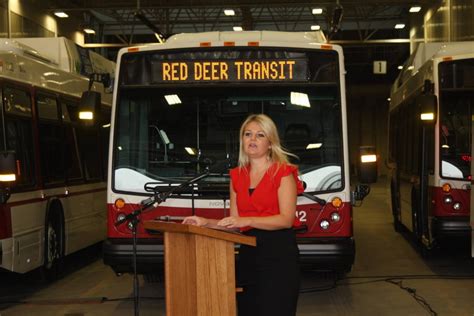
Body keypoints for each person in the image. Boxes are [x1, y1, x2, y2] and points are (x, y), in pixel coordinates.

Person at [183, 113, 304, 316]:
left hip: (279, 255)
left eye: (260, 135)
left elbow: (286, 219)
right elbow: (235, 224)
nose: (253, 139)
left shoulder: (283, 173)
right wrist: (205, 222)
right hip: (250, 256)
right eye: (248, 134)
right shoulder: (237, 176)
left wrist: (247, 220)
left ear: (271, 142)